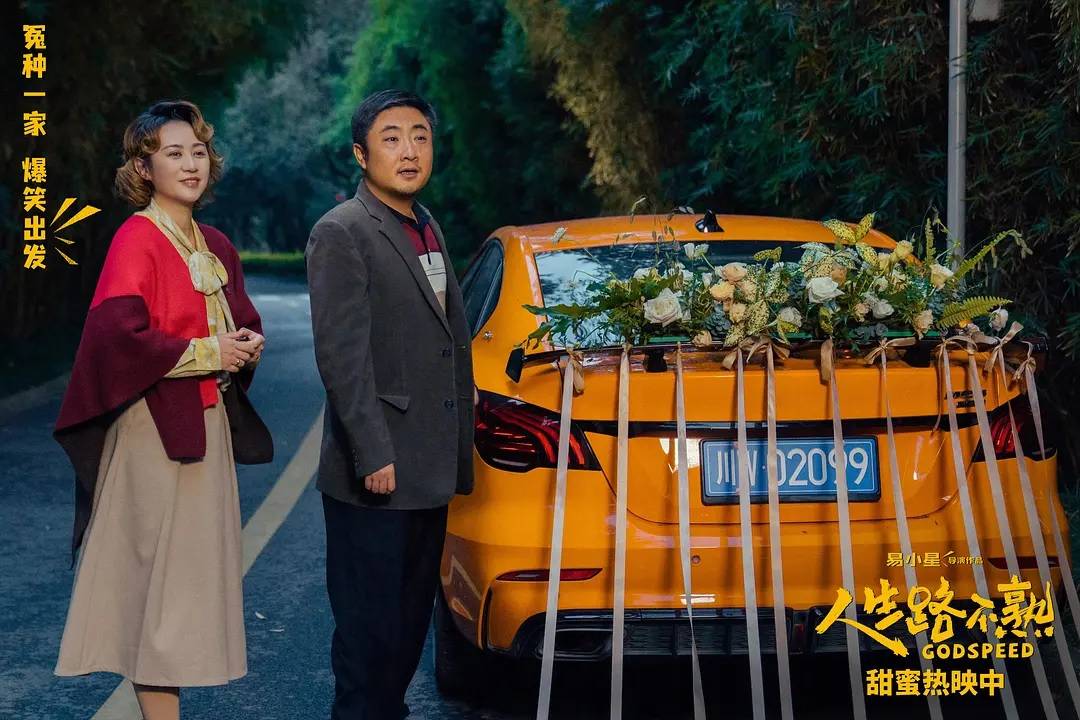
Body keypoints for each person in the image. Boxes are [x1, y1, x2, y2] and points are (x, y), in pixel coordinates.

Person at [53, 100, 272, 720]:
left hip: (206, 428)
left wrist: (245, 344)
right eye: (173, 154)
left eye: (198, 151)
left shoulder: (216, 244)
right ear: (144, 169)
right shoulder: (136, 238)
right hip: (153, 433)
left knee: (185, 588)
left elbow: (240, 318)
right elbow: (116, 340)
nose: (191, 164)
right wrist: (209, 351)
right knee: (159, 591)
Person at [306, 89, 476, 720]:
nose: (409, 151)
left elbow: (447, 338)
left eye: (420, 137)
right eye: (391, 138)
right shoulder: (342, 231)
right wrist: (372, 452)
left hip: (428, 469)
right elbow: (342, 358)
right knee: (369, 639)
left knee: (405, 634)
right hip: (378, 472)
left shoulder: (425, 225)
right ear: (361, 154)